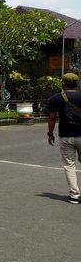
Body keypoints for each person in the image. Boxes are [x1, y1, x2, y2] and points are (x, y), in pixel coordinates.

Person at [47, 73, 81, 204]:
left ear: (63, 83)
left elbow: (51, 117)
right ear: (77, 83)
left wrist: (50, 134)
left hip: (66, 136)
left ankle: (74, 195)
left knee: (69, 165)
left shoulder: (56, 98)